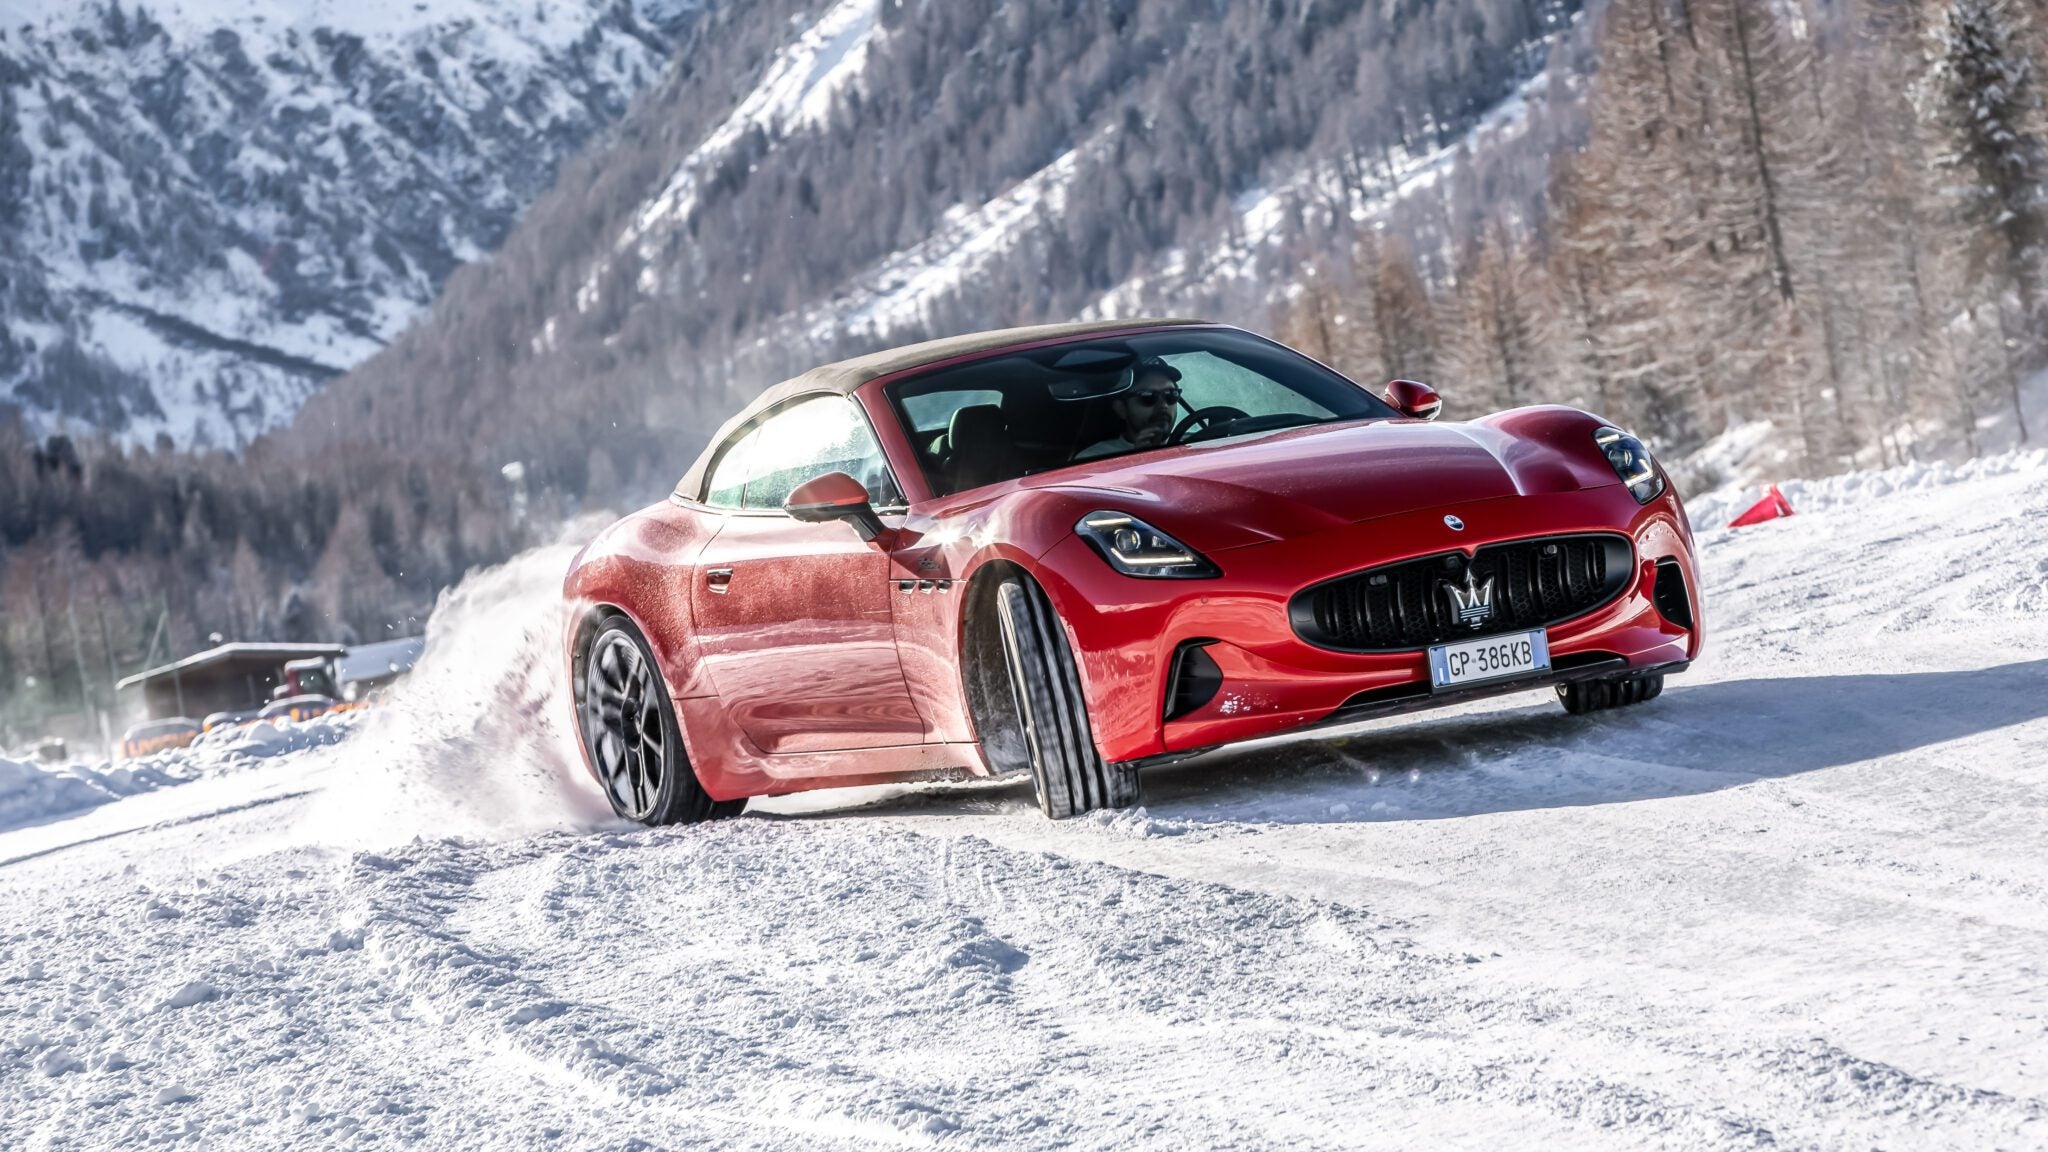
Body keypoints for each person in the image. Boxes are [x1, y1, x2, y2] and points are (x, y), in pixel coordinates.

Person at [1074, 356, 1183, 460]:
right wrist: (1139, 460)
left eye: (1171, 395)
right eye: (1148, 396)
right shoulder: (1094, 459)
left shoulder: (1193, 442)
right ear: (1121, 409)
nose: (1163, 405)